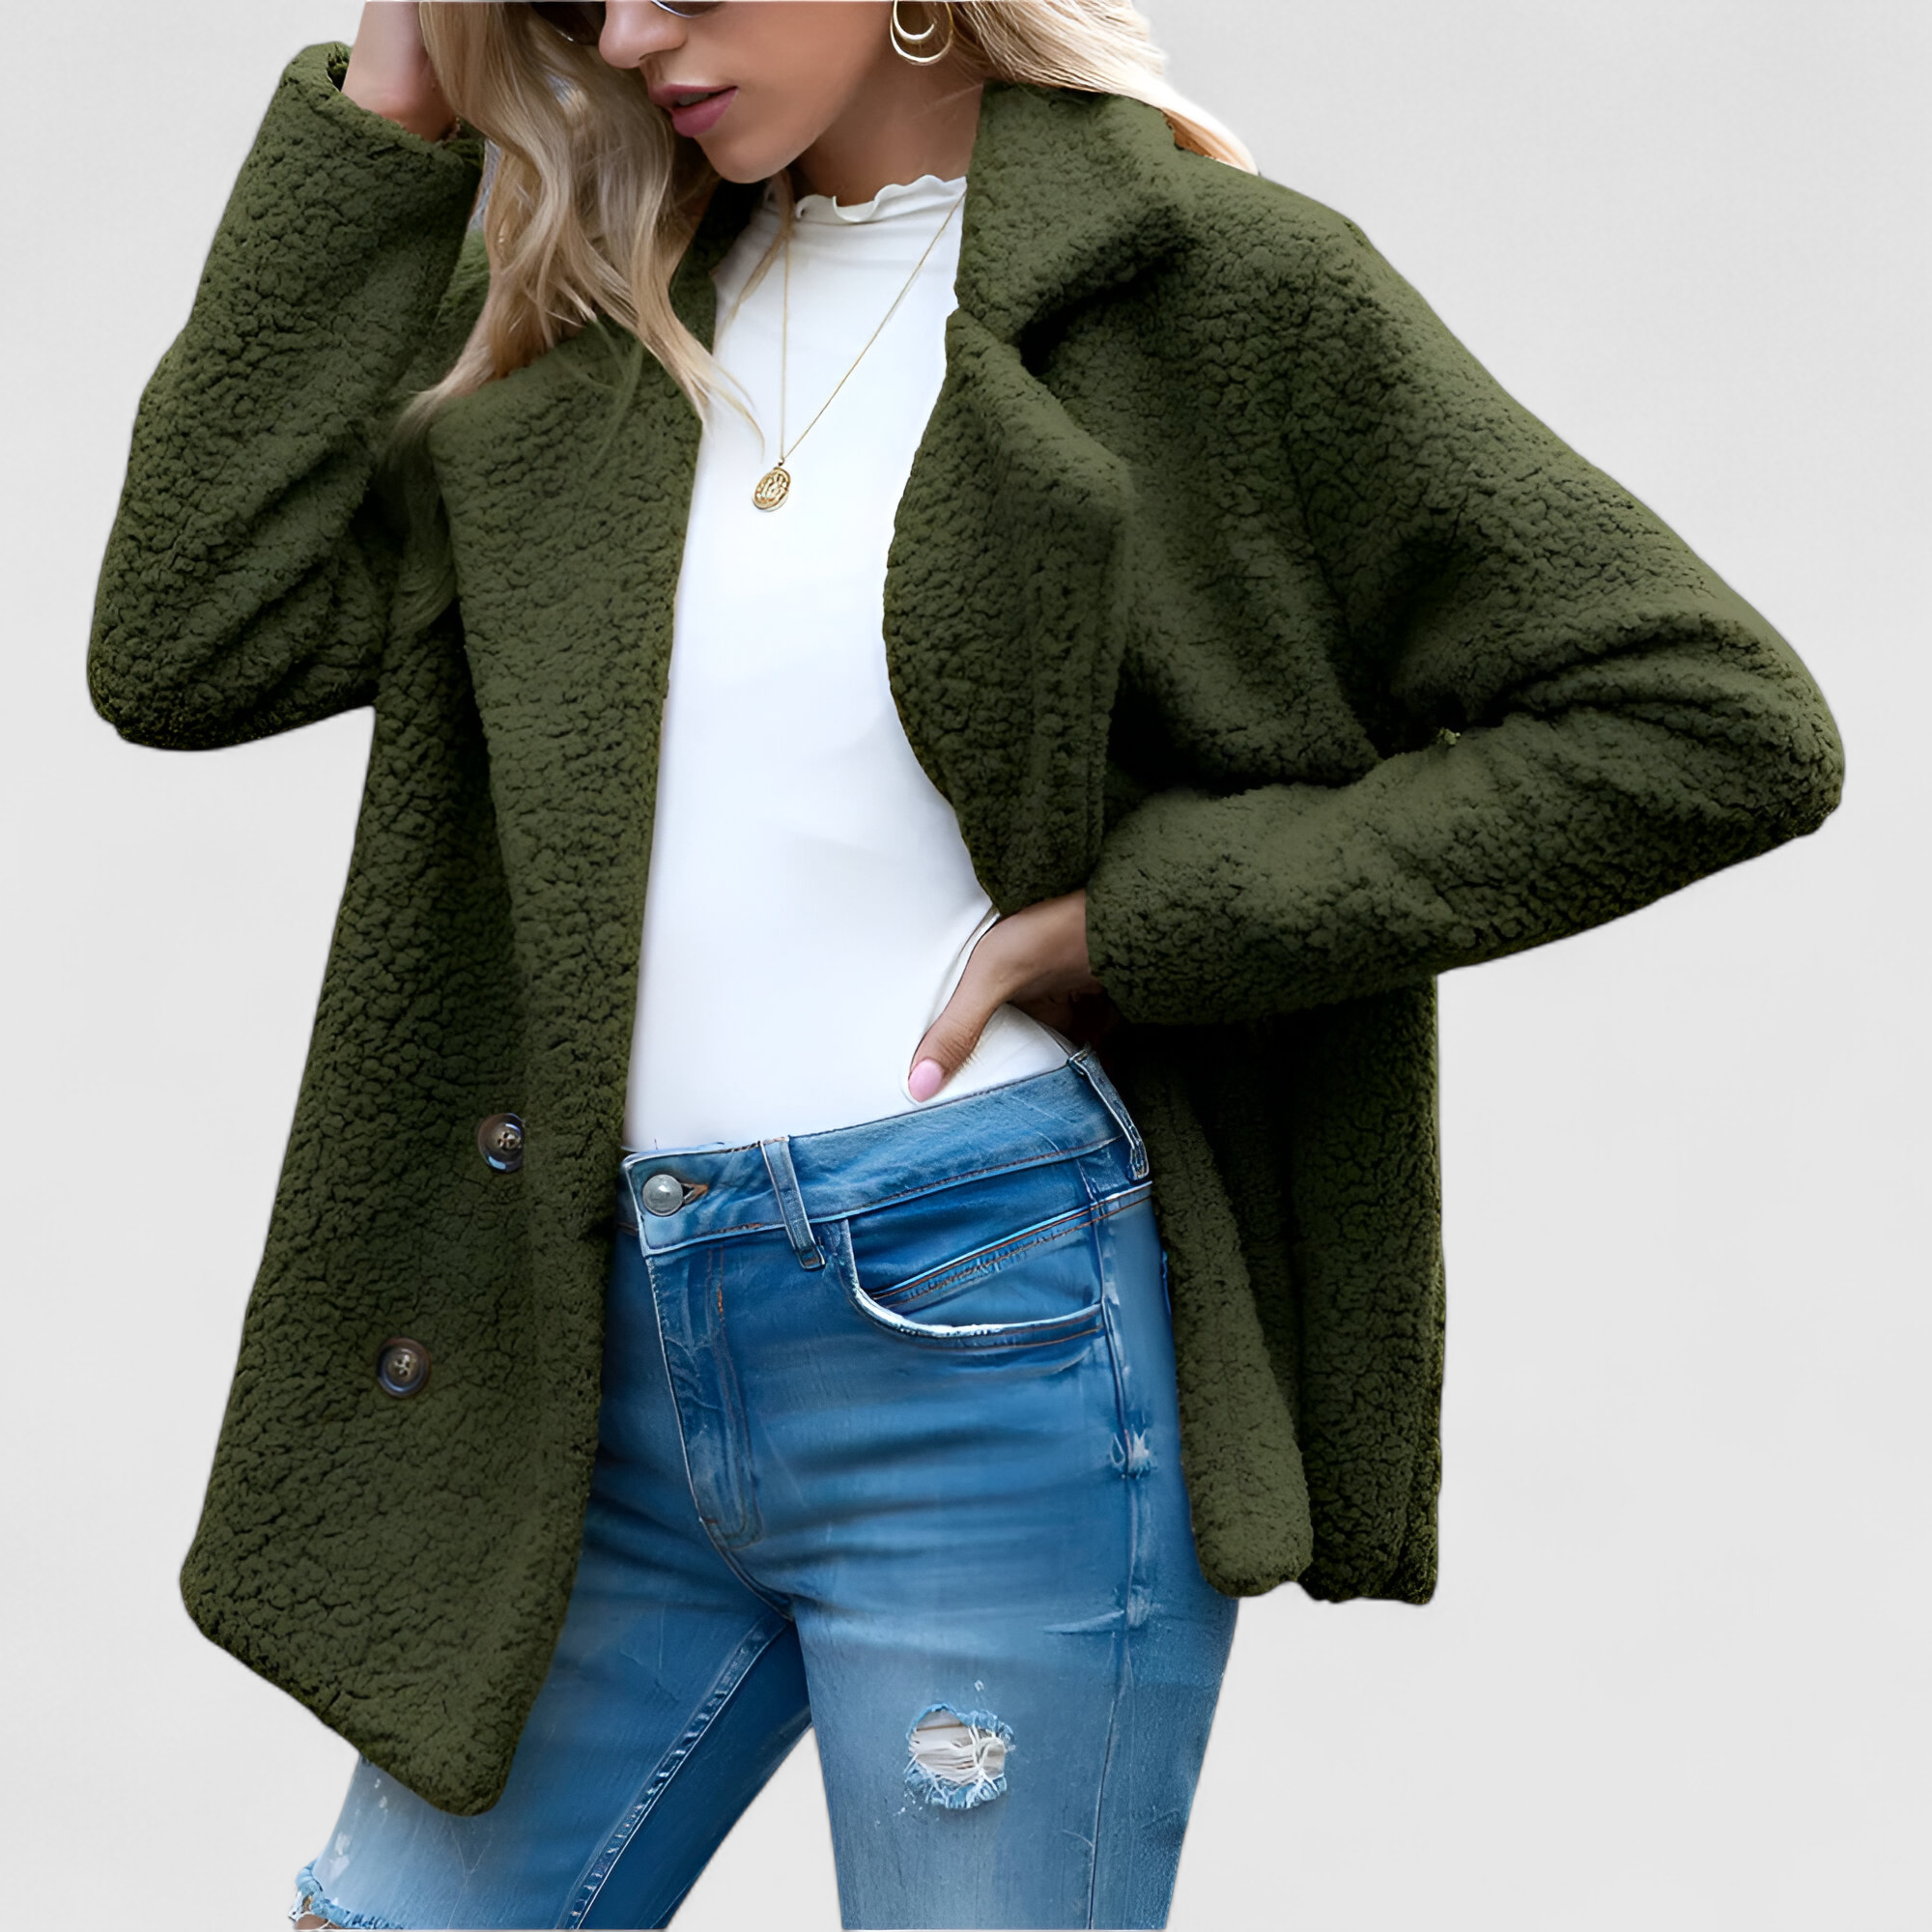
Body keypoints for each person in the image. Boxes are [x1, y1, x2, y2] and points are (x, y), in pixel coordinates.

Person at [87, 3, 1843, 1927]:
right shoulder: (587, 308)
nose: (632, 35)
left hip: (989, 1346)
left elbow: (1710, 719)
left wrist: (1157, 920)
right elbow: (189, 638)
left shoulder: (1209, 289)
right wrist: (393, 98)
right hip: (590, 1355)